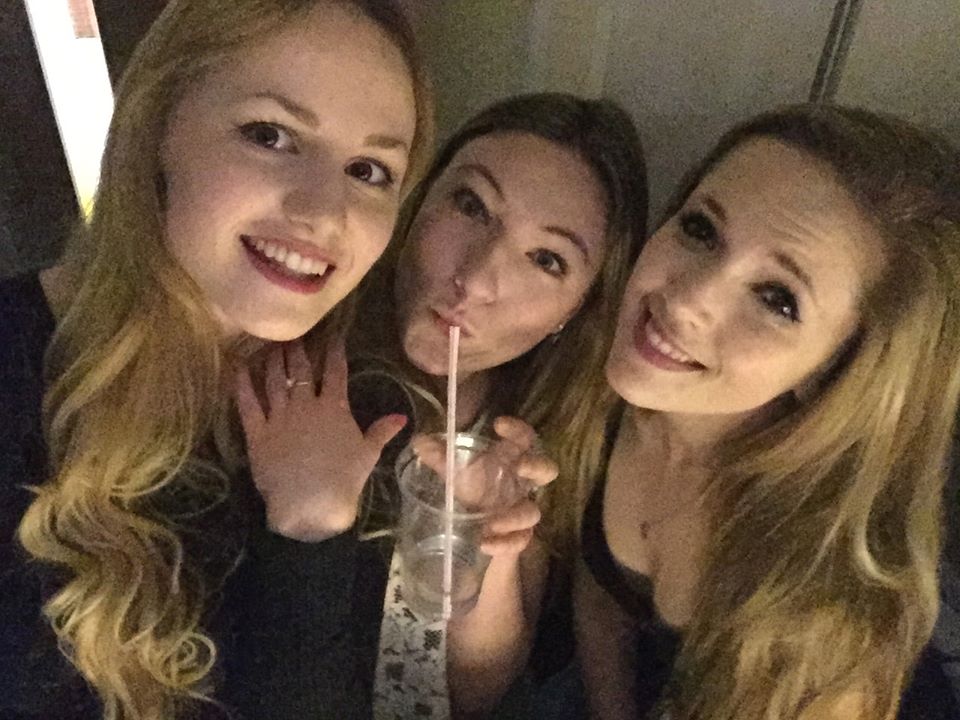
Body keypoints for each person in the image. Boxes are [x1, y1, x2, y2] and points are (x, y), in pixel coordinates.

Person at [0, 1, 431, 719]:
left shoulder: (365, 421)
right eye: (271, 135)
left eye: (369, 170)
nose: (325, 212)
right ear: (156, 127)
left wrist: (312, 534)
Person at [574, 104, 960, 720]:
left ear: (836, 372)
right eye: (700, 228)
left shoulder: (827, 617)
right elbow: (600, 593)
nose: (686, 300)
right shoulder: (619, 392)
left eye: (778, 299)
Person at [331, 92, 647, 718]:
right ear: (419, 197)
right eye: (471, 205)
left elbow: (474, 694)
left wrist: (494, 549)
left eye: (547, 260)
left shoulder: (522, 442)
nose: (474, 281)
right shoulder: (296, 353)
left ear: (574, 311)